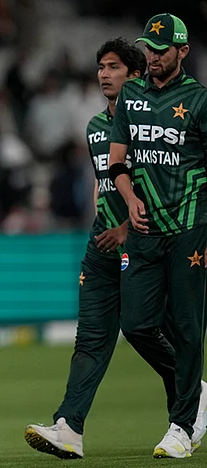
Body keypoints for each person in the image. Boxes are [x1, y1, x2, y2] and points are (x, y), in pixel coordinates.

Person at [24, 38, 159, 458]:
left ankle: (192, 395)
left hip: (146, 242)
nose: (103, 73)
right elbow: (106, 187)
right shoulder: (96, 128)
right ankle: (69, 428)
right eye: (101, 66)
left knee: (143, 330)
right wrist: (108, 225)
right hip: (100, 244)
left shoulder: (152, 125)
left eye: (114, 66)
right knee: (90, 339)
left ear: (136, 75)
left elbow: (162, 189)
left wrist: (125, 228)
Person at [108, 14, 207, 458]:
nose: (151, 57)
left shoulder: (200, 101)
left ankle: (182, 426)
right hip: (145, 229)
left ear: (182, 52)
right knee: (138, 325)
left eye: (160, 51)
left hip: (189, 229)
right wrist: (129, 199)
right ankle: (197, 392)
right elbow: (117, 161)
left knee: (187, 329)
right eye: (148, 48)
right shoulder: (131, 95)